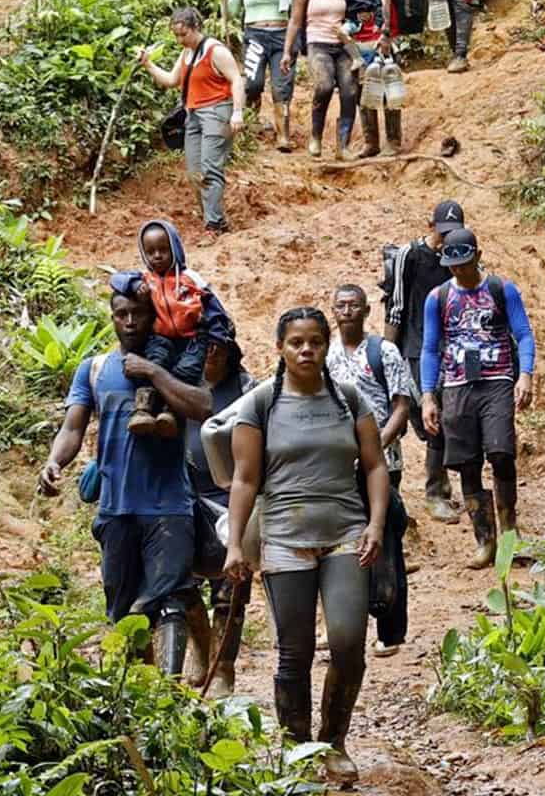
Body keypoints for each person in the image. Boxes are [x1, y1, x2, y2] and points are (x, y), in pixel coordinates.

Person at [222, 306, 390, 786]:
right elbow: (245, 480)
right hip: (283, 538)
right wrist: (236, 544)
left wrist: (375, 524)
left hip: (346, 534)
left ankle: (334, 742)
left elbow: (375, 467)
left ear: (326, 345)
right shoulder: (260, 404)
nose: (306, 350)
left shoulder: (349, 399)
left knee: (347, 644)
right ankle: (298, 751)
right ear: (280, 347)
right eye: (296, 342)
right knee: (293, 652)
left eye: (315, 341)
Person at [34, 278, 213, 676]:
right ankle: (139, 694)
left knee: (169, 601)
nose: (130, 321)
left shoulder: (175, 362)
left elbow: (202, 405)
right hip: (116, 506)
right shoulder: (94, 370)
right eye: (122, 314)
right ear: (113, 318)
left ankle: (171, 694)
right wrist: (54, 462)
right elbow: (73, 427)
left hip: (169, 503)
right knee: (123, 609)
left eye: (139, 314)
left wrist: (153, 372)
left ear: (153, 317)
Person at [419, 228, 537, 569]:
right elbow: (430, 348)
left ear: (478, 256)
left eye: (465, 263)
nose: (460, 271)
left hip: (496, 380)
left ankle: (510, 534)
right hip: (456, 386)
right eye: (453, 265)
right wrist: (429, 395)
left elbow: (523, 334)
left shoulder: (502, 289)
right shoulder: (438, 298)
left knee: (501, 453)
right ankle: (485, 539)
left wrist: (525, 374)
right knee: (466, 463)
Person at [327, 284, 416, 659]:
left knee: (385, 541)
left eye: (354, 305)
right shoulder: (324, 354)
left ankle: (390, 629)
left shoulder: (385, 352)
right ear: (333, 311)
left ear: (366, 311)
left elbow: (401, 405)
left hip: (383, 462)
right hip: (336, 466)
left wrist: (375, 445)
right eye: (340, 305)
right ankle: (343, 626)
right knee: (341, 544)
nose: (347, 311)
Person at [380, 201, 463, 523]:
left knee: (442, 419)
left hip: (449, 348)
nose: (446, 239)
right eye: (443, 232)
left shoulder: (457, 257)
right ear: (431, 225)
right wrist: (388, 354)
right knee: (422, 417)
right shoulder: (409, 256)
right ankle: (424, 492)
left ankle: (438, 488)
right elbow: (396, 304)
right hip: (415, 345)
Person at [118, 220, 236, 440]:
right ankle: (143, 409)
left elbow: (214, 308)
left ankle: (170, 413)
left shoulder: (190, 278)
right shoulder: (145, 279)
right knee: (155, 363)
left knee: (187, 370)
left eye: (163, 249)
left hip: (192, 337)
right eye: (150, 251)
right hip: (160, 336)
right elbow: (117, 279)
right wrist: (133, 286)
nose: (157, 256)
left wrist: (218, 338)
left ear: (175, 248)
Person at [183, 332, 252, 697]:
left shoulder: (246, 387)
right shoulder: (180, 379)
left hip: (231, 501)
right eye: (203, 345)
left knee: (231, 589)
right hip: (183, 497)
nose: (211, 353)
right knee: (181, 582)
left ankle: (223, 667)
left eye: (218, 345)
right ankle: (200, 643)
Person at [137, 7, 243, 233]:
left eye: (183, 34)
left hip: (217, 111)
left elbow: (236, 80)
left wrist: (237, 112)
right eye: (176, 35)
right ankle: (214, 217)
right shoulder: (186, 53)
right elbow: (171, 80)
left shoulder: (216, 51)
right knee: (195, 172)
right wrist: (148, 64)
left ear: (196, 29)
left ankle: (212, 223)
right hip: (193, 114)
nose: (179, 40)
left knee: (210, 169)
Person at [285, 0, 358, 160]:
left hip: (343, 45)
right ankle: (316, 136)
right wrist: (287, 51)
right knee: (324, 86)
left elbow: (353, 16)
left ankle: (342, 146)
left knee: (350, 92)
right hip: (317, 44)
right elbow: (295, 22)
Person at [228, 0, 300, 151]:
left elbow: (299, 0)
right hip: (255, 36)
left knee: (282, 85)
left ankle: (283, 135)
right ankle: (250, 125)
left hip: (282, 37)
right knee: (253, 83)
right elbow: (231, 11)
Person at [334, 0, 401, 157]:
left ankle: (393, 141)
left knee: (389, 91)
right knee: (364, 95)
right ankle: (371, 142)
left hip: (378, 42)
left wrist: (385, 33)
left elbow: (384, 12)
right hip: (360, 46)